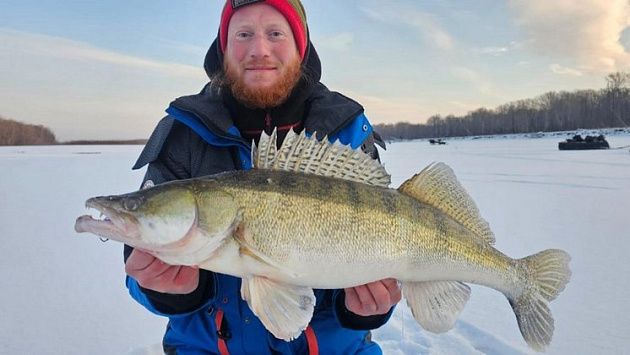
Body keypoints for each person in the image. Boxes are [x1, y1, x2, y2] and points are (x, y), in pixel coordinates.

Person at [124, 1, 401, 354]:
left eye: (275, 33)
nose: (258, 50)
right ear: (223, 48)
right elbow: (139, 254)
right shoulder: (183, 133)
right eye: (243, 34)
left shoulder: (346, 130)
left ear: (300, 47)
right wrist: (166, 290)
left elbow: (392, 245)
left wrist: (363, 310)